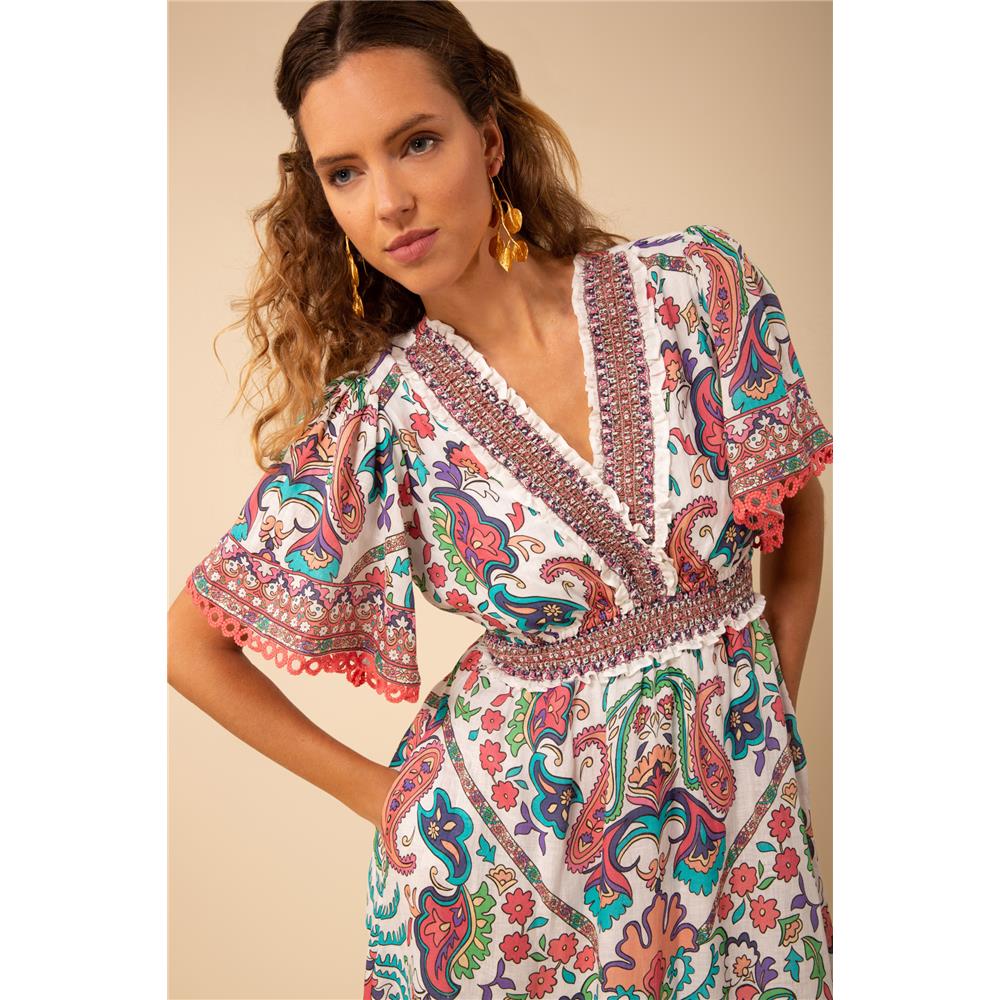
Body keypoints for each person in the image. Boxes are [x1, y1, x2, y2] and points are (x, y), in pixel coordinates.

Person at [167, 1, 834, 996]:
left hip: (741, 830)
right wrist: (393, 802)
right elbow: (189, 645)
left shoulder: (695, 289)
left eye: (416, 142)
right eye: (344, 172)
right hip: (509, 880)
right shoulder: (383, 420)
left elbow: (797, 498)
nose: (390, 201)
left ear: (487, 140)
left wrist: (768, 703)